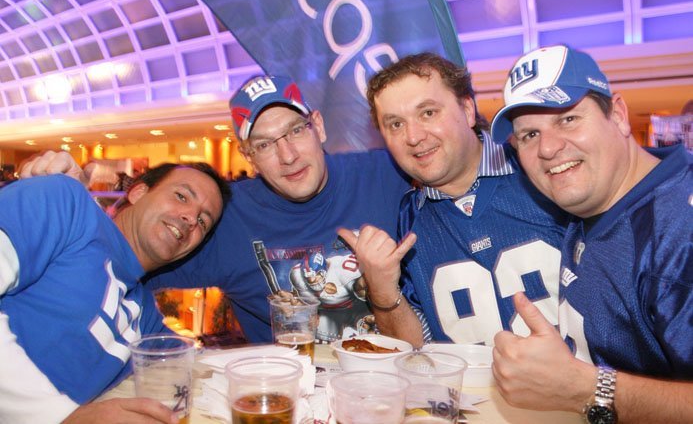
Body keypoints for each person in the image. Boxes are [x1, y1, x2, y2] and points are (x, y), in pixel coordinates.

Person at [20, 75, 411, 344]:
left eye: (295, 131)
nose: (288, 155)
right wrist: (65, 209)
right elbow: (120, 256)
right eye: (264, 144)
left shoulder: (388, 173)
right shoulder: (221, 217)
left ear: (318, 127)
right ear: (248, 156)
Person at [489, 44, 693, 423]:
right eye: (529, 134)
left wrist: (587, 388)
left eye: (568, 119)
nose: (548, 148)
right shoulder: (593, 202)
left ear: (617, 115)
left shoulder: (682, 229)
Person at [338, 53, 569, 348]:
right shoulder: (409, 216)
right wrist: (382, 290)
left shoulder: (540, 171)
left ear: (467, 110)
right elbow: (415, 350)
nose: (413, 137)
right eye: (395, 124)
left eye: (428, 113)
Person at [1, 162, 228, 423]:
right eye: (181, 196)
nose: (191, 218)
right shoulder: (65, 202)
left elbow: (208, 364)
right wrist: (62, 417)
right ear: (138, 192)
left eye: (203, 221)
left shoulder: (143, 315)